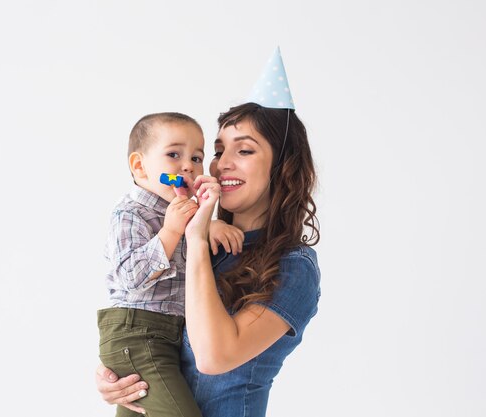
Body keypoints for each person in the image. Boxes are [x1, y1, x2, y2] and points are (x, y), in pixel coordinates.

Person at [96, 48, 321, 417]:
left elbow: (214, 357)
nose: (221, 164)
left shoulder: (294, 267)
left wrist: (197, 236)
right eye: (217, 151)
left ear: (281, 169)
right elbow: (150, 318)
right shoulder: (206, 245)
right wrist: (118, 370)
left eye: (244, 150)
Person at [98, 112, 244, 417]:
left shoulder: (186, 213)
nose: (188, 166)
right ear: (139, 166)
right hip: (138, 333)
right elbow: (129, 277)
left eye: (197, 157)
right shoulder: (130, 213)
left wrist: (209, 225)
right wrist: (171, 231)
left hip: (166, 336)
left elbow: (197, 242)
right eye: (174, 154)